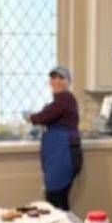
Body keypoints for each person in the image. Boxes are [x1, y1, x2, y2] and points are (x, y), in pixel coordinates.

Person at [25, 66, 83, 210]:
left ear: (68, 81)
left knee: (56, 201)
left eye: (61, 78)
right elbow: (49, 113)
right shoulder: (60, 101)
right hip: (61, 156)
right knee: (58, 201)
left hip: (64, 156)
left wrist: (30, 117)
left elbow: (43, 117)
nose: (56, 81)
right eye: (53, 77)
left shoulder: (65, 98)